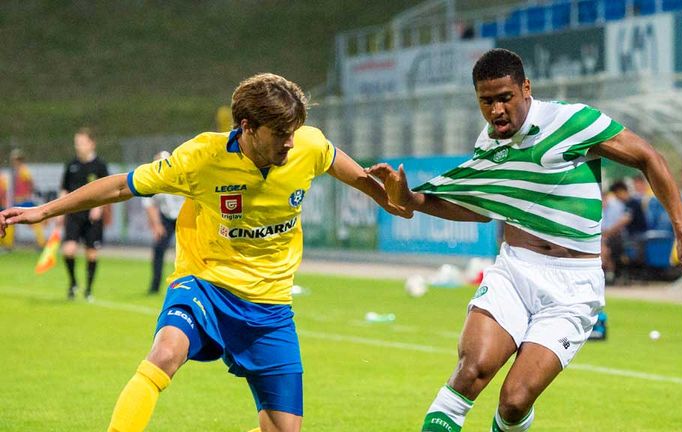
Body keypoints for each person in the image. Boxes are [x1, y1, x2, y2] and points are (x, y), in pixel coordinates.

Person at [0, 73, 409, 432]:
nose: (290, 142)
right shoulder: (201, 159)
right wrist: (45, 211)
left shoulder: (308, 144)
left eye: (294, 131)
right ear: (248, 127)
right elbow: (123, 185)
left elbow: (364, 181)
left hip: (270, 307)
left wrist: (393, 199)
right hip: (206, 285)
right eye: (280, 133)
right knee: (165, 352)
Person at [368, 48, 682, 432]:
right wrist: (411, 201)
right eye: (486, 101)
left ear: (526, 88)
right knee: (471, 371)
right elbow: (481, 209)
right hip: (515, 271)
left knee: (513, 402)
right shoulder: (490, 144)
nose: (496, 110)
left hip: (573, 286)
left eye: (504, 98)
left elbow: (649, 157)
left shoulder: (572, 121)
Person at [59, 128, 110, 301]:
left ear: (91, 143)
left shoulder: (100, 166)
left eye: (81, 142)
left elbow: (108, 191)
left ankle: (88, 290)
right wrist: (58, 211)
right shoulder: (72, 165)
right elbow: (64, 189)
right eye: (76, 143)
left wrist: (99, 207)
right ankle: (73, 283)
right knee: (68, 250)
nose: (78, 146)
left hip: (92, 216)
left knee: (91, 253)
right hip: (74, 214)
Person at [143, 151, 185, 295]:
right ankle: (154, 286)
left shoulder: (181, 177)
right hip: (166, 217)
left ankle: (186, 284)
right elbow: (150, 205)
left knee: (186, 252)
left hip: (183, 217)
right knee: (159, 249)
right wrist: (157, 224)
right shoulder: (154, 181)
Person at [10, 149, 47, 248]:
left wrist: (29, 193)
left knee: (34, 222)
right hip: (19, 200)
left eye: (15, 159)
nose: (13, 161)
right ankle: (8, 243)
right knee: (11, 221)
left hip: (24, 200)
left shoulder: (23, 170)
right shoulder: (17, 171)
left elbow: (31, 183)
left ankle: (42, 243)